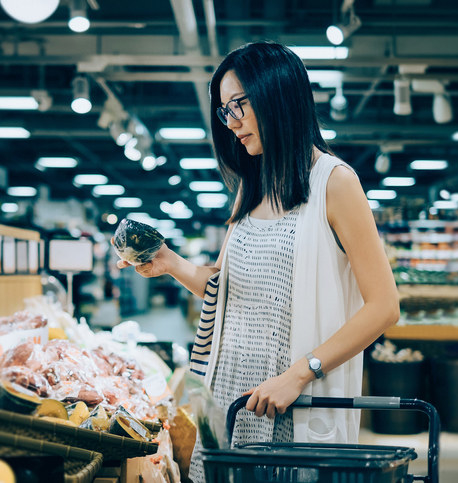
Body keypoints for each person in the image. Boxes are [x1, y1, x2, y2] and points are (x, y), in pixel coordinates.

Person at [116, 41, 399, 481]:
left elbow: (384, 306)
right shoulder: (252, 187)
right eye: (224, 111)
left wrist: (300, 374)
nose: (231, 123)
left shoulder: (336, 183)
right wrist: (169, 262)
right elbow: (227, 290)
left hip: (290, 401)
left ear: (277, 93)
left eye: (239, 105)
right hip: (230, 398)